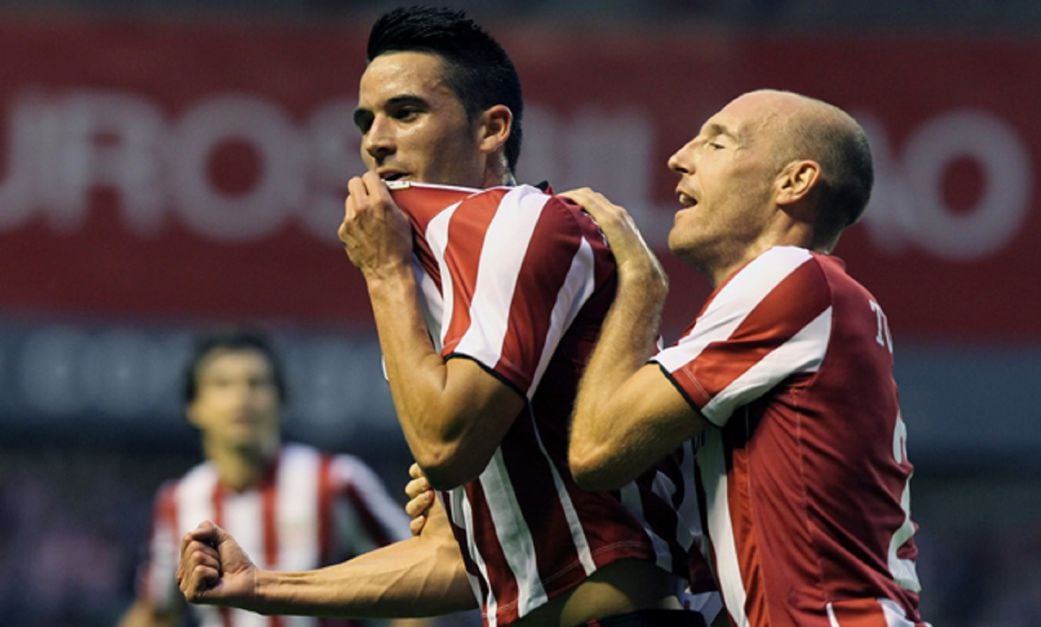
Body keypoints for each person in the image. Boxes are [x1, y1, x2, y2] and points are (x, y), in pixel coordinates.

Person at [177, 7, 714, 627]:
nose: (375, 140)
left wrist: (384, 275)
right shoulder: (436, 282)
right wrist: (262, 586)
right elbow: (457, 561)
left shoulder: (524, 222)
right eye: (366, 121)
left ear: (491, 129)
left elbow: (445, 447)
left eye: (405, 113)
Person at [561, 89, 930, 626]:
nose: (679, 157)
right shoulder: (801, 304)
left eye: (717, 143)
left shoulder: (793, 279)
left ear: (794, 182)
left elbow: (597, 451)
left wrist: (639, 284)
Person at [117, 329, 415, 627]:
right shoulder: (179, 500)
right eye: (223, 384)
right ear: (195, 407)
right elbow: (157, 611)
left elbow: (415, 574)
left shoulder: (335, 481)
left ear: (280, 398)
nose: (241, 397)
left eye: (256, 383)